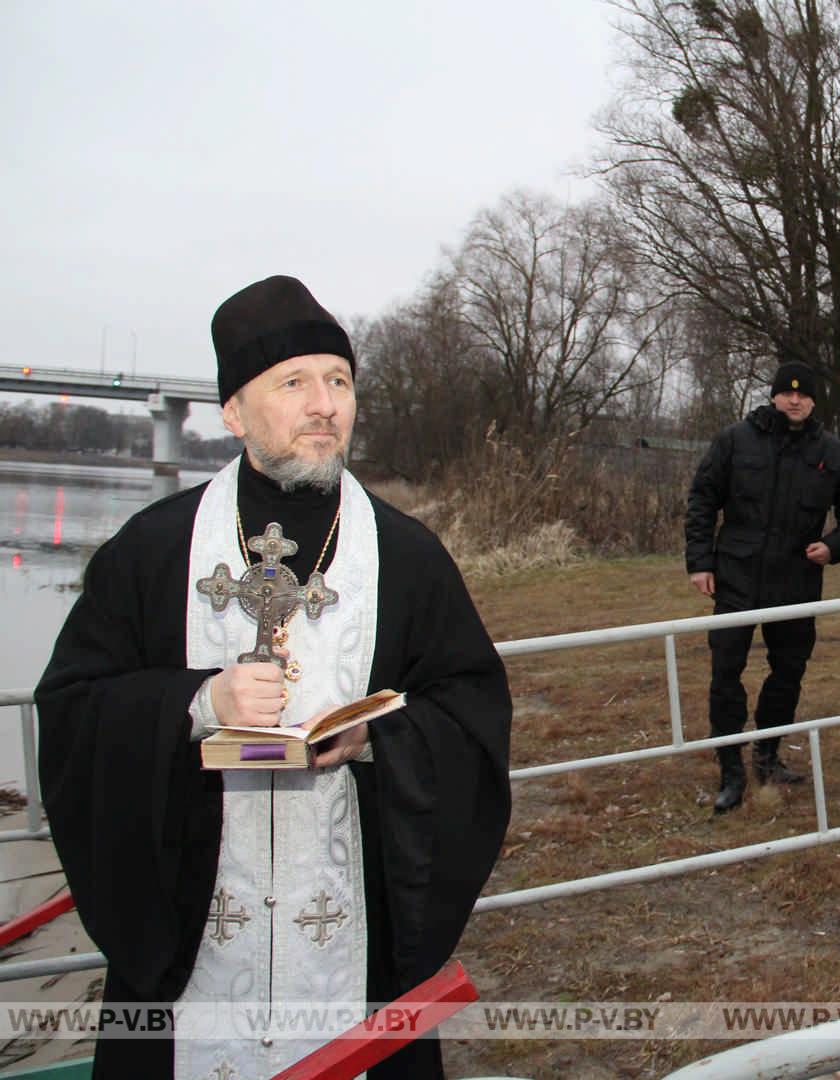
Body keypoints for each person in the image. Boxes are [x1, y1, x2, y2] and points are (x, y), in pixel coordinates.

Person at [35, 275, 513, 1079]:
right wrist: (197, 702)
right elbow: (75, 708)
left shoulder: (407, 557)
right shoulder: (151, 551)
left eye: (340, 381)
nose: (325, 404)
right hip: (192, 934)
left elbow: (472, 710)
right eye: (293, 382)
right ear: (233, 412)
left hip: (353, 938)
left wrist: (375, 738)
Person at [685, 360, 840, 813]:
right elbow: (703, 498)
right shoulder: (735, 440)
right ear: (774, 395)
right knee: (726, 671)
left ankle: (767, 754)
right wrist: (700, 562)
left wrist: (834, 546)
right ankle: (730, 769)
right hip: (736, 577)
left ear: (814, 400)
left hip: (796, 580)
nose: (794, 400)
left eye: (803, 394)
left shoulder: (834, 454)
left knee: (788, 673)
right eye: (786, 393)